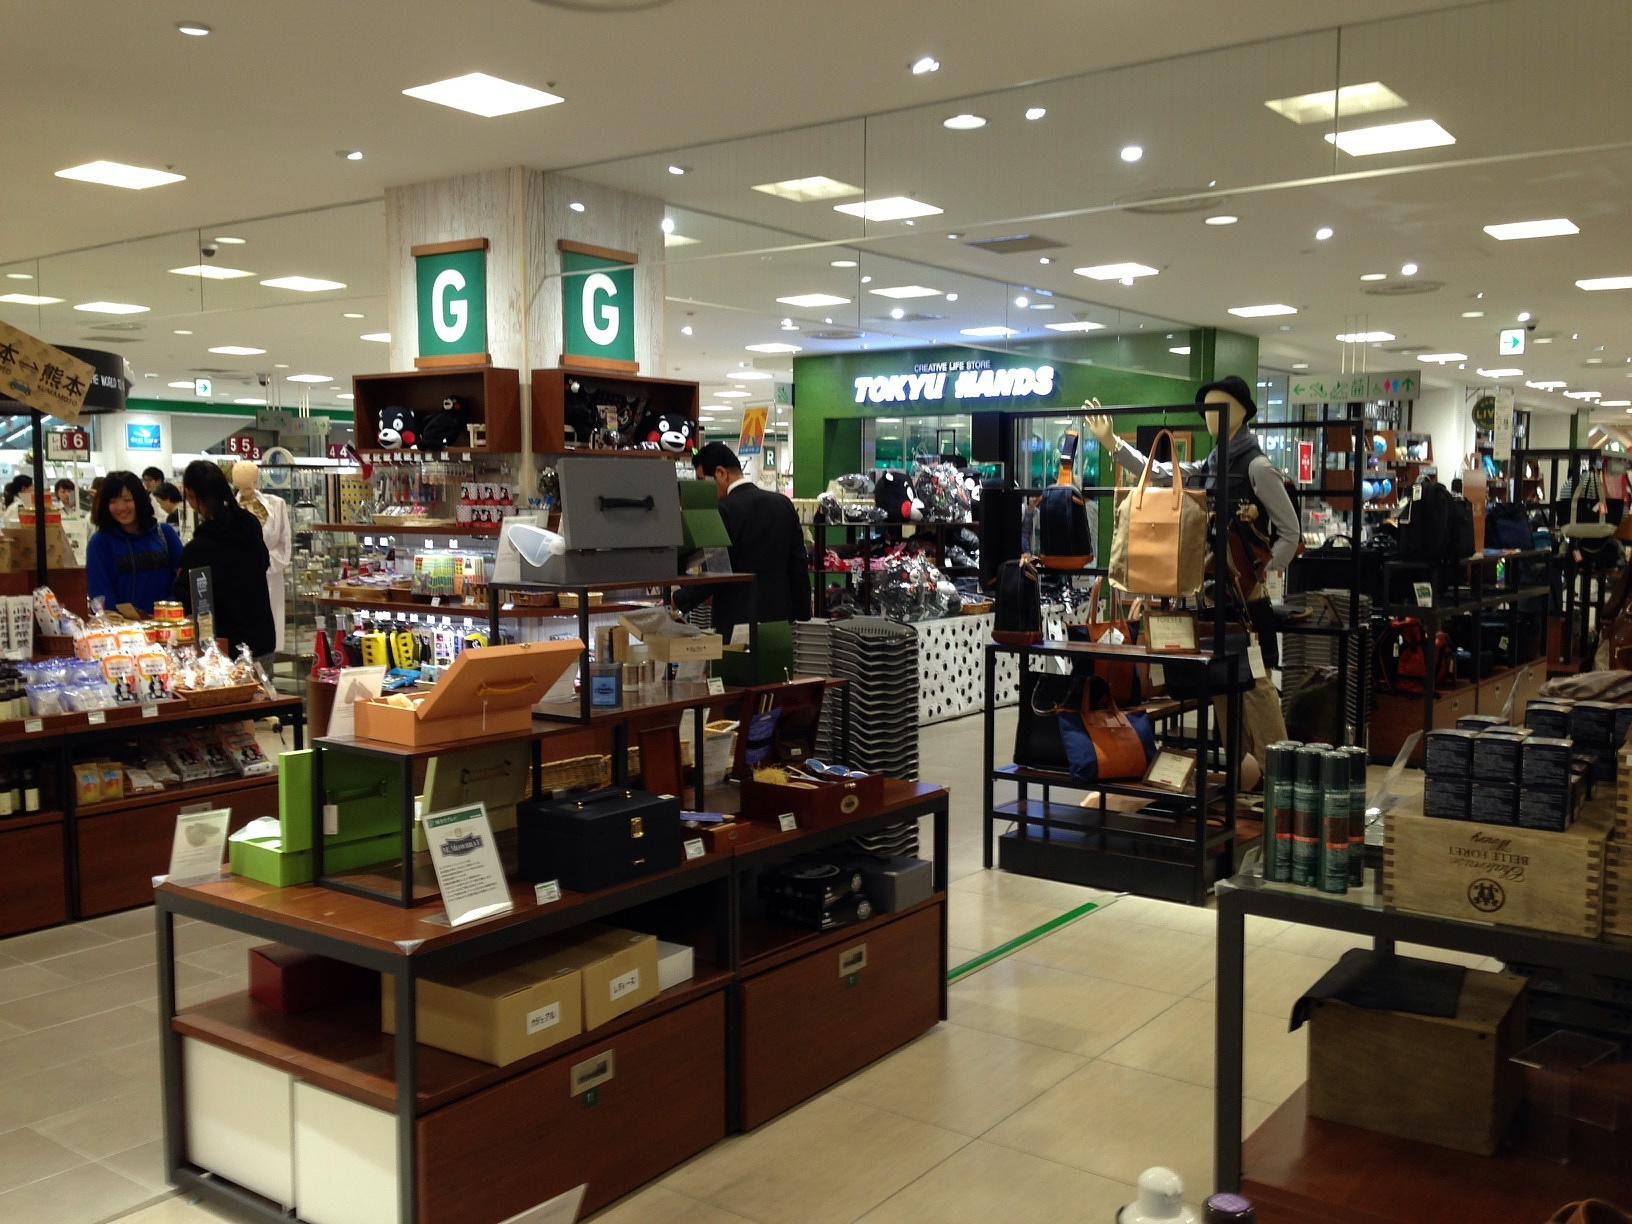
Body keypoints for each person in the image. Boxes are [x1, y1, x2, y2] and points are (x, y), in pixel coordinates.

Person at [1087, 374, 1297, 770]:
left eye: (1221, 408)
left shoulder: (1256, 467)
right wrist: (1113, 444)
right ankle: (1241, 775)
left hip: (1246, 599)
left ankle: (1279, 773)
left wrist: (1264, 573)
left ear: (1241, 412)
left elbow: (1290, 532)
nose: (1211, 417)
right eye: (1208, 410)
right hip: (1214, 595)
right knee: (1223, 684)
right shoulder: (1211, 465)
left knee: (1256, 685)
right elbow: (1162, 473)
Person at [679, 442, 810, 644]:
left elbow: (718, 572)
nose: (701, 488)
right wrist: (803, 615)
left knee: (738, 665)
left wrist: (679, 600)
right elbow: (799, 565)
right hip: (780, 619)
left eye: (702, 480)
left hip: (735, 622)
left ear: (721, 473)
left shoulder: (722, 511)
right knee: (776, 664)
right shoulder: (783, 504)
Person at [175, 459, 275, 664]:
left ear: (191, 495)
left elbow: (186, 597)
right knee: (263, 684)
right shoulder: (250, 525)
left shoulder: (198, 548)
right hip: (261, 638)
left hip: (224, 647)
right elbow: (264, 563)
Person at [85, 471, 183, 616]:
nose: (121, 507)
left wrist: (165, 612)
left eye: (127, 500)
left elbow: (182, 581)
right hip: (122, 627)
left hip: (167, 623)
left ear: (139, 499)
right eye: (113, 501)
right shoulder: (99, 543)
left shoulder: (165, 534)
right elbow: (100, 594)